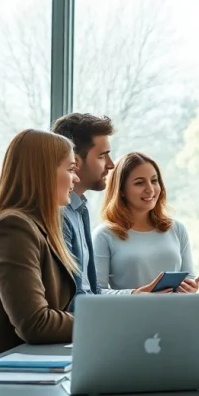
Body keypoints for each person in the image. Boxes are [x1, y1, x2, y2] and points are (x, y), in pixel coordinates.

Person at [0, 129, 81, 366]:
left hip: (28, 367)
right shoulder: (12, 228)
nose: (75, 178)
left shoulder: (36, 227)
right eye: (70, 169)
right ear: (44, 173)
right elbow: (35, 323)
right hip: (0, 377)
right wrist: (105, 322)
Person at [51, 113, 136, 300]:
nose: (111, 164)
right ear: (76, 161)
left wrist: (137, 294)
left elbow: (92, 291)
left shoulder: (79, 209)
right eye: (102, 156)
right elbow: (71, 298)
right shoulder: (58, 215)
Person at [94, 152, 199, 292]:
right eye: (139, 183)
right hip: (130, 314)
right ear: (121, 190)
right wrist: (134, 295)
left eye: (154, 180)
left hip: (174, 312)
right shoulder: (104, 235)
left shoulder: (176, 229)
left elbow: (189, 278)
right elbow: (96, 292)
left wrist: (190, 288)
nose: (150, 189)